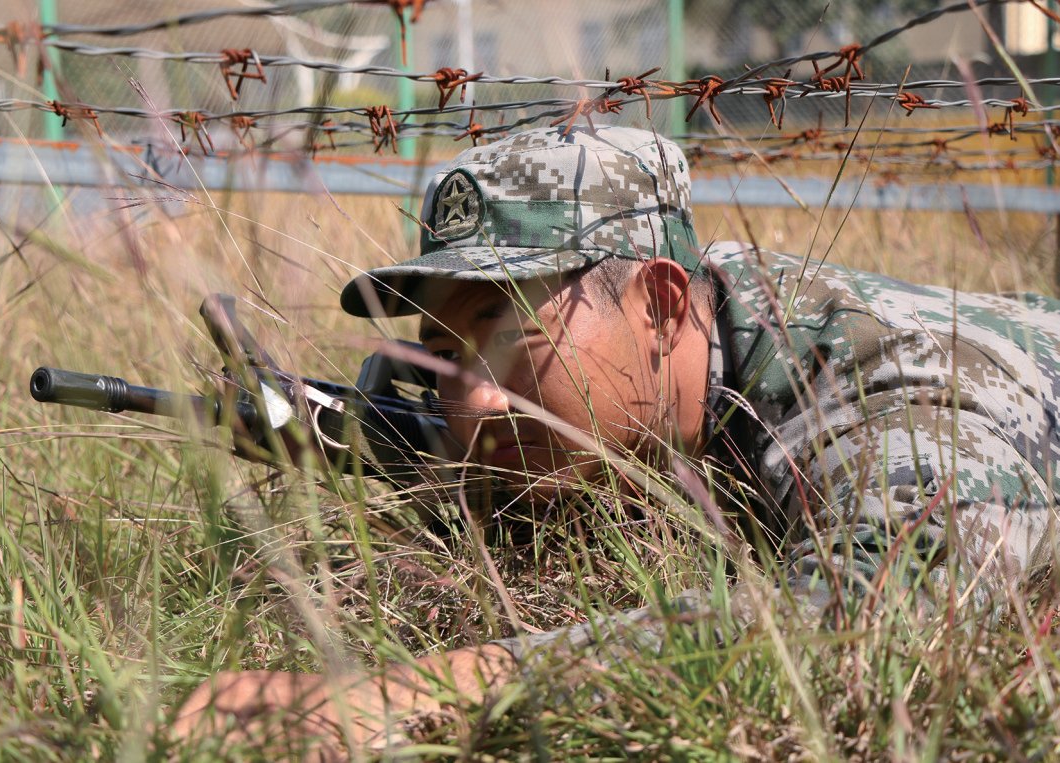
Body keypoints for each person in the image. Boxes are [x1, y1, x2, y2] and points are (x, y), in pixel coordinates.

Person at [173, 125, 1060, 755]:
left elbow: (863, 617)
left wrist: (410, 690)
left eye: (512, 327)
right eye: (443, 355)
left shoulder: (891, 387)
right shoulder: (670, 372)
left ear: (662, 303)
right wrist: (357, 442)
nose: (474, 399)